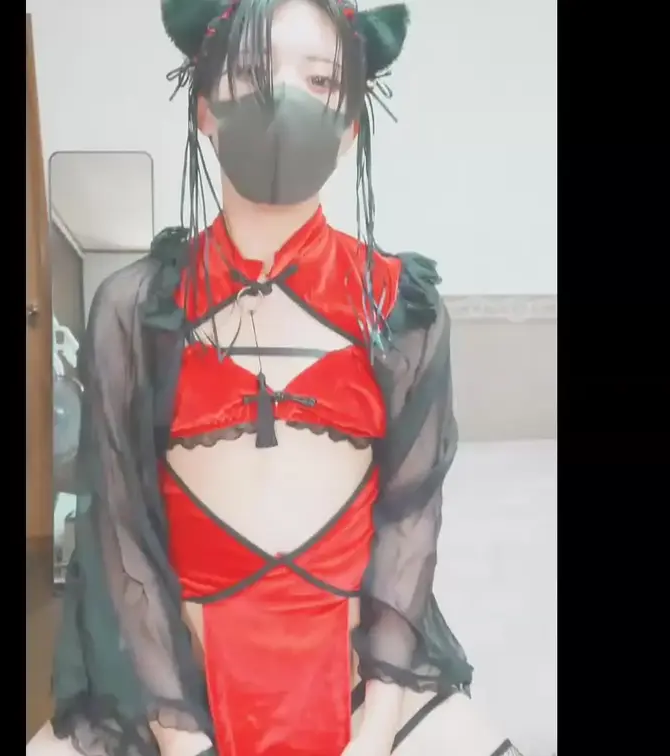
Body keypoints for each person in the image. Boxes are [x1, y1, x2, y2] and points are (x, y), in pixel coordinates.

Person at [27, 1, 526, 754]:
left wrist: (376, 730)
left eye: (320, 79)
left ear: (351, 123)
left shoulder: (403, 311)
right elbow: (120, 532)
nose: (284, 98)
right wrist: (182, 739)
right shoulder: (134, 309)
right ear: (205, 107)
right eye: (254, 72)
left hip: (360, 683)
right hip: (179, 688)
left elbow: (409, 524)